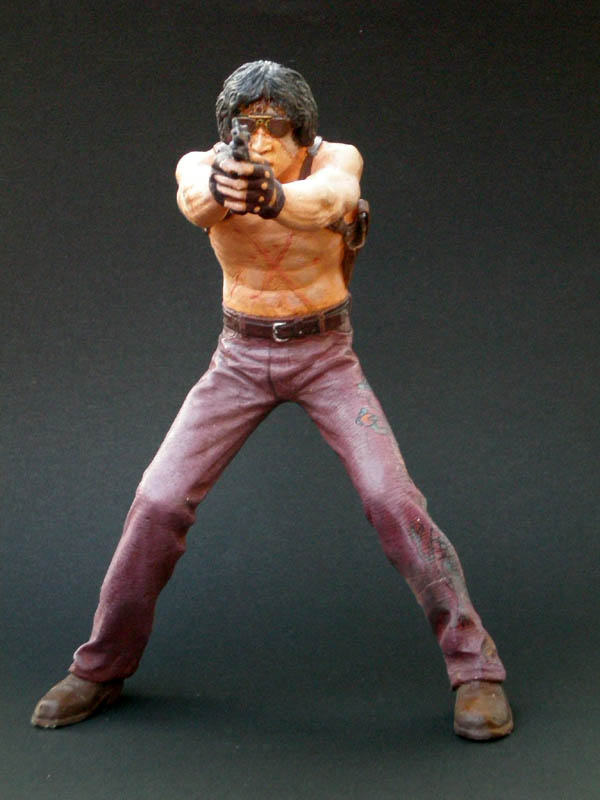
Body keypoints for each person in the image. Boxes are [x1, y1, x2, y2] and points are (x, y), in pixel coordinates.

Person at [31, 61, 513, 740]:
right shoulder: (204, 164)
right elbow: (195, 200)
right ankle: (101, 665)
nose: (257, 140)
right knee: (158, 500)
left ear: (302, 128)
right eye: (244, 125)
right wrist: (225, 188)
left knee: (392, 499)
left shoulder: (335, 160)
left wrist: (275, 197)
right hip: (238, 358)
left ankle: (475, 667)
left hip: (324, 355)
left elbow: (331, 199)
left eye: (273, 125)